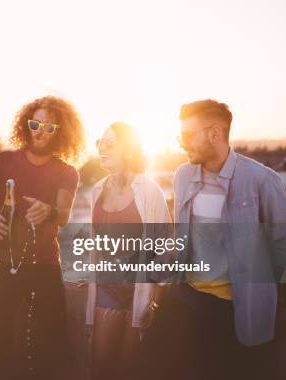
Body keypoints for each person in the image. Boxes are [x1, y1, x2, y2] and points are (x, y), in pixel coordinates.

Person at [136, 99, 286, 380]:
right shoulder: (183, 176)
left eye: (187, 136)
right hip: (186, 302)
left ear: (214, 133)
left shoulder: (261, 179)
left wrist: (284, 306)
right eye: (180, 136)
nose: (181, 143)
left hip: (236, 312)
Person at [0, 95, 84, 379]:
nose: (40, 132)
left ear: (61, 132)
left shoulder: (67, 172)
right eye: (35, 124)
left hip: (44, 266)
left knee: (52, 346)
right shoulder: (2, 161)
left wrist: (49, 210)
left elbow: (65, 215)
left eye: (49, 127)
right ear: (26, 125)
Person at [85, 122, 171, 379]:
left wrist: (155, 297)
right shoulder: (96, 191)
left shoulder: (149, 191)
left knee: (129, 368)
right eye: (100, 142)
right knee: (100, 368)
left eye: (111, 143)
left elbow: (167, 247)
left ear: (129, 149)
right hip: (107, 291)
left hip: (140, 293)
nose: (103, 147)